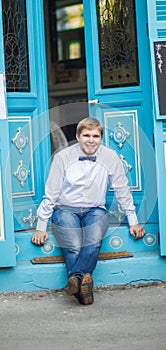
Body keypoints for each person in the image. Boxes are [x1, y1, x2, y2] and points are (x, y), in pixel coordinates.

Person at [32, 117, 145, 305]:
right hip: (65, 210)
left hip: (95, 210)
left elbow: (122, 189)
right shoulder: (62, 157)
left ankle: (76, 280)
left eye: (95, 136)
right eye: (86, 135)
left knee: (92, 242)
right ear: (77, 136)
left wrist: (133, 220)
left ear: (101, 138)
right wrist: (41, 226)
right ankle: (84, 288)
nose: (91, 140)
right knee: (74, 247)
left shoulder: (110, 157)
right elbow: (50, 193)